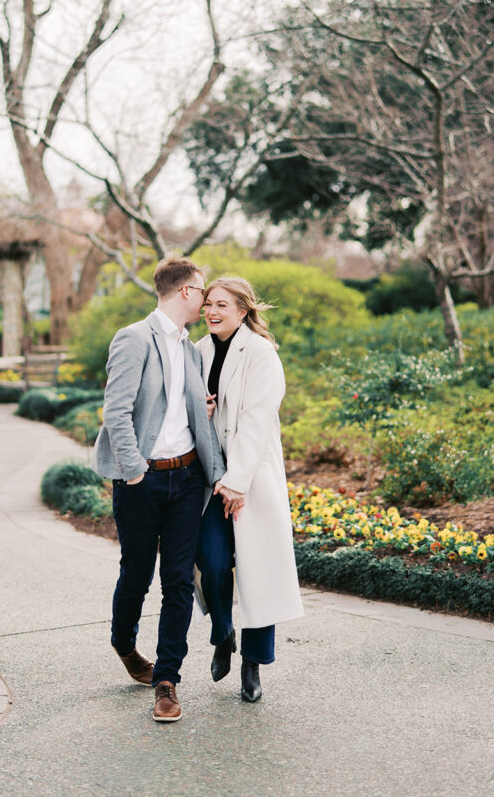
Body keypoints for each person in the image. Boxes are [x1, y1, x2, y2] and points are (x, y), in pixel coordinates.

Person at [92, 255, 226, 723]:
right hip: (142, 479)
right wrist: (134, 471)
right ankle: (124, 643)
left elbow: (191, 413)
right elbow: (116, 411)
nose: (205, 301)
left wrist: (214, 467)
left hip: (187, 478)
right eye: (202, 291)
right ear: (186, 291)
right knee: (137, 573)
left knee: (178, 581)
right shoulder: (133, 338)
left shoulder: (192, 350)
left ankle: (166, 680)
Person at [195, 276, 304, 703]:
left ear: (243, 311)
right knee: (212, 561)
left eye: (222, 304)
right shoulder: (197, 351)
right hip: (210, 480)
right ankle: (223, 634)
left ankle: (252, 664)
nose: (212, 311)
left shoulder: (261, 354)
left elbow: (257, 422)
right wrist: (201, 412)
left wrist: (237, 483)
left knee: (258, 571)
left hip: (251, 480)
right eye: (208, 303)